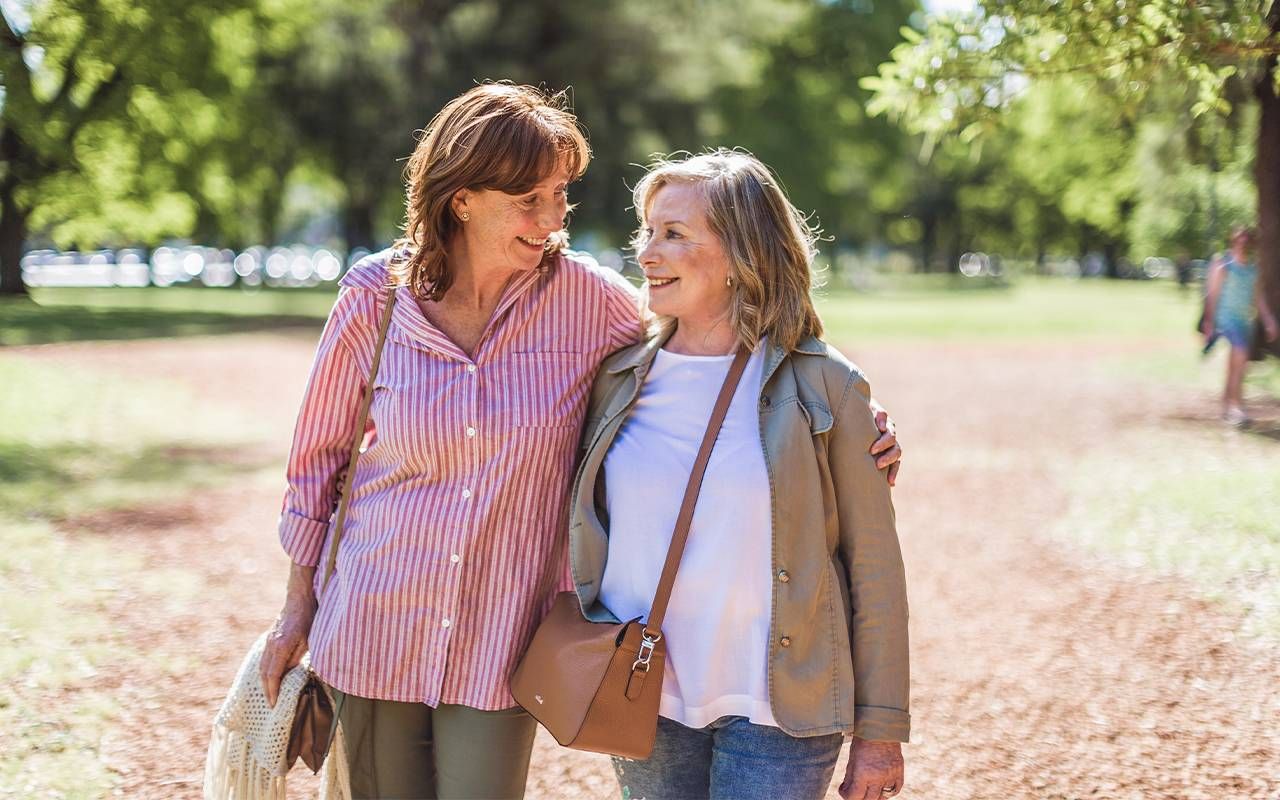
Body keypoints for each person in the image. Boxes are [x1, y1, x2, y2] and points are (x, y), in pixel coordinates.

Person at [257, 84, 904, 799]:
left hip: (500, 641)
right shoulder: (373, 299)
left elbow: (713, 331)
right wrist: (296, 613)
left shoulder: (590, 305)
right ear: (461, 198)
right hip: (373, 622)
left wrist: (849, 428)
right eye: (529, 199)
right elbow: (316, 468)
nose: (552, 219)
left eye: (561, 194)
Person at [569, 150, 909, 800]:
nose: (645, 252)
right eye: (647, 231)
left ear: (740, 255)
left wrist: (881, 730)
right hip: (645, 696)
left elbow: (874, 570)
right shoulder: (614, 379)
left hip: (783, 709)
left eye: (674, 234)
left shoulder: (826, 388)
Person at [1202, 225, 1279, 426]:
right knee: (1241, 353)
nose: (1242, 243)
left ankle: (1227, 406)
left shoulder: (1253, 269)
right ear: (1233, 240)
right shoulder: (1223, 264)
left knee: (1237, 364)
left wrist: (1269, 320)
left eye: (1246, 240)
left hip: (1244, 321)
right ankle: (1237, 408)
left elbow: (1258, 299)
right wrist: (1209, 322)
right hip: (1226, 320)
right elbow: (1212, 295)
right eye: (1239, 239)